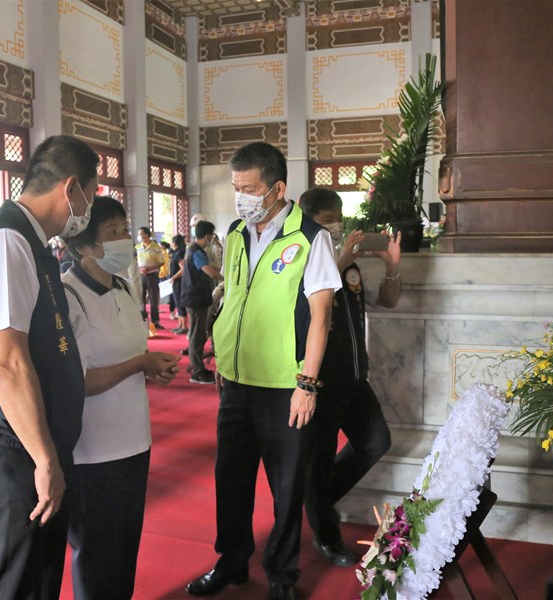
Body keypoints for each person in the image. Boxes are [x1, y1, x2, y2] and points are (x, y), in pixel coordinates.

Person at [185, 142, 340, 600]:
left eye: (249, 189)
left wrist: (307, 384)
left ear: (276, 188)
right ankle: (231, 561)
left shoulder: (310, 237)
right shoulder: (235, 233)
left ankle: (281, 575)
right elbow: (233, 298)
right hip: (236, 380)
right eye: (235, 188)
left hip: (284, 387)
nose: (241, 198)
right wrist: (221, 356)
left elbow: (322, 315)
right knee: (230, 478)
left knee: (286, 486)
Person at [0, 135, 98, 599]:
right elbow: (8, 364)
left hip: (31, 447)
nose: (89, 206)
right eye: (91, 194)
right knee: (17, 584)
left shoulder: (31, 243)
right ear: (70, 188)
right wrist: (44, 459)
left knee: (39, 579)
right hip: (13, 453)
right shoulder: (7, 243)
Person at [61, 195, 181, 599]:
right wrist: (139, 365)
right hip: (92, 449)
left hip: (134, 439)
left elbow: (131, 355)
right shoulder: (68, 295)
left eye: (125, 229)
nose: (124, 240)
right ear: (82, 245)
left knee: (126, 541)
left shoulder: (124, 285)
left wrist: (150, 371)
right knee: (97, 550)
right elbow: (78, 381)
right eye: (112, 233)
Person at [298, 187, 401, 567]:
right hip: (319, 382)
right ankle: (325, 533)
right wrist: (339, 259)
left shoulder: (351, 265)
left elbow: (386, 301)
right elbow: (306, 308)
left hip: (356, 377)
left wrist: (392, 265)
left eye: (338, 220)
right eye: (327, 222)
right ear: (309, 224)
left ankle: (316, 502)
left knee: (375, 441)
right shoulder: (304, 262)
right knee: (318, 460)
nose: (337, 228)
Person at [181, 220, 223, 385]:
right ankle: (197, 371)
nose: (212, 239)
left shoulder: (191, 249)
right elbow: (210, 272)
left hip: (194, 297)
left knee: (196, 334)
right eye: (211, 236)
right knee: (197, 335)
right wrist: (230, 277)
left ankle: (196, 366)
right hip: (196, 298)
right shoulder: (197, 252)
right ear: (207, 236)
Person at [136, 226, 165, 328]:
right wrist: (140, 270)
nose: (139, 236)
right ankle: (142, 320)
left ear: (147, 235)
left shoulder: (155, 247)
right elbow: (134, 261)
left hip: (152, 275)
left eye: (141, 234)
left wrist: (150, 268)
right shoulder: (138, 247)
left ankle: (155, 321)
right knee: (140, 298)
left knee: (153, 298)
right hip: (140, 275)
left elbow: (161, 262)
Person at [169, 233, 189, 334]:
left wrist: (174, 277)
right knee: (177, 302)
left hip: (179, 282)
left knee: (180, 303)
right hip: (176, 281)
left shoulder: (179, 253)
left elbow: (183, 268)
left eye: (171, 241)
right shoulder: (176, 252)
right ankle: (180, 325)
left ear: (175, 243)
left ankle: (184, 326)